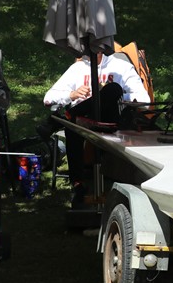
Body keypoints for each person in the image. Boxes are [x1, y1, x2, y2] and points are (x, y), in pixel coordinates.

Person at [41, 52, 150, 207]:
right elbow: (48, 98)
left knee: (113, 89)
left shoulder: (121, 67)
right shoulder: (77, 68)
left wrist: (110, 97)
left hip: (110, 121)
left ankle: (68, 115)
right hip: (82, 121)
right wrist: (72, 94)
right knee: (74, 127)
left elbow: (144, 100)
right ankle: (78, 185)